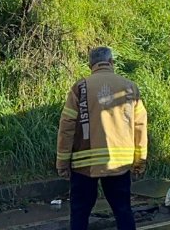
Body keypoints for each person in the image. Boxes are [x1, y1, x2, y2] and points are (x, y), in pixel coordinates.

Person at [56, 47, 147, 230]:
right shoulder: (129, 87)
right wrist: (140, 161)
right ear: (111, 62)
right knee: (123, 211)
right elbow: (140, 126)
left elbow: (67, 127)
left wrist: (62, 162)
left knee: (80, 213)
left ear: (91, 65)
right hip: (120, 163)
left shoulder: (80, 88)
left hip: (84, 164)